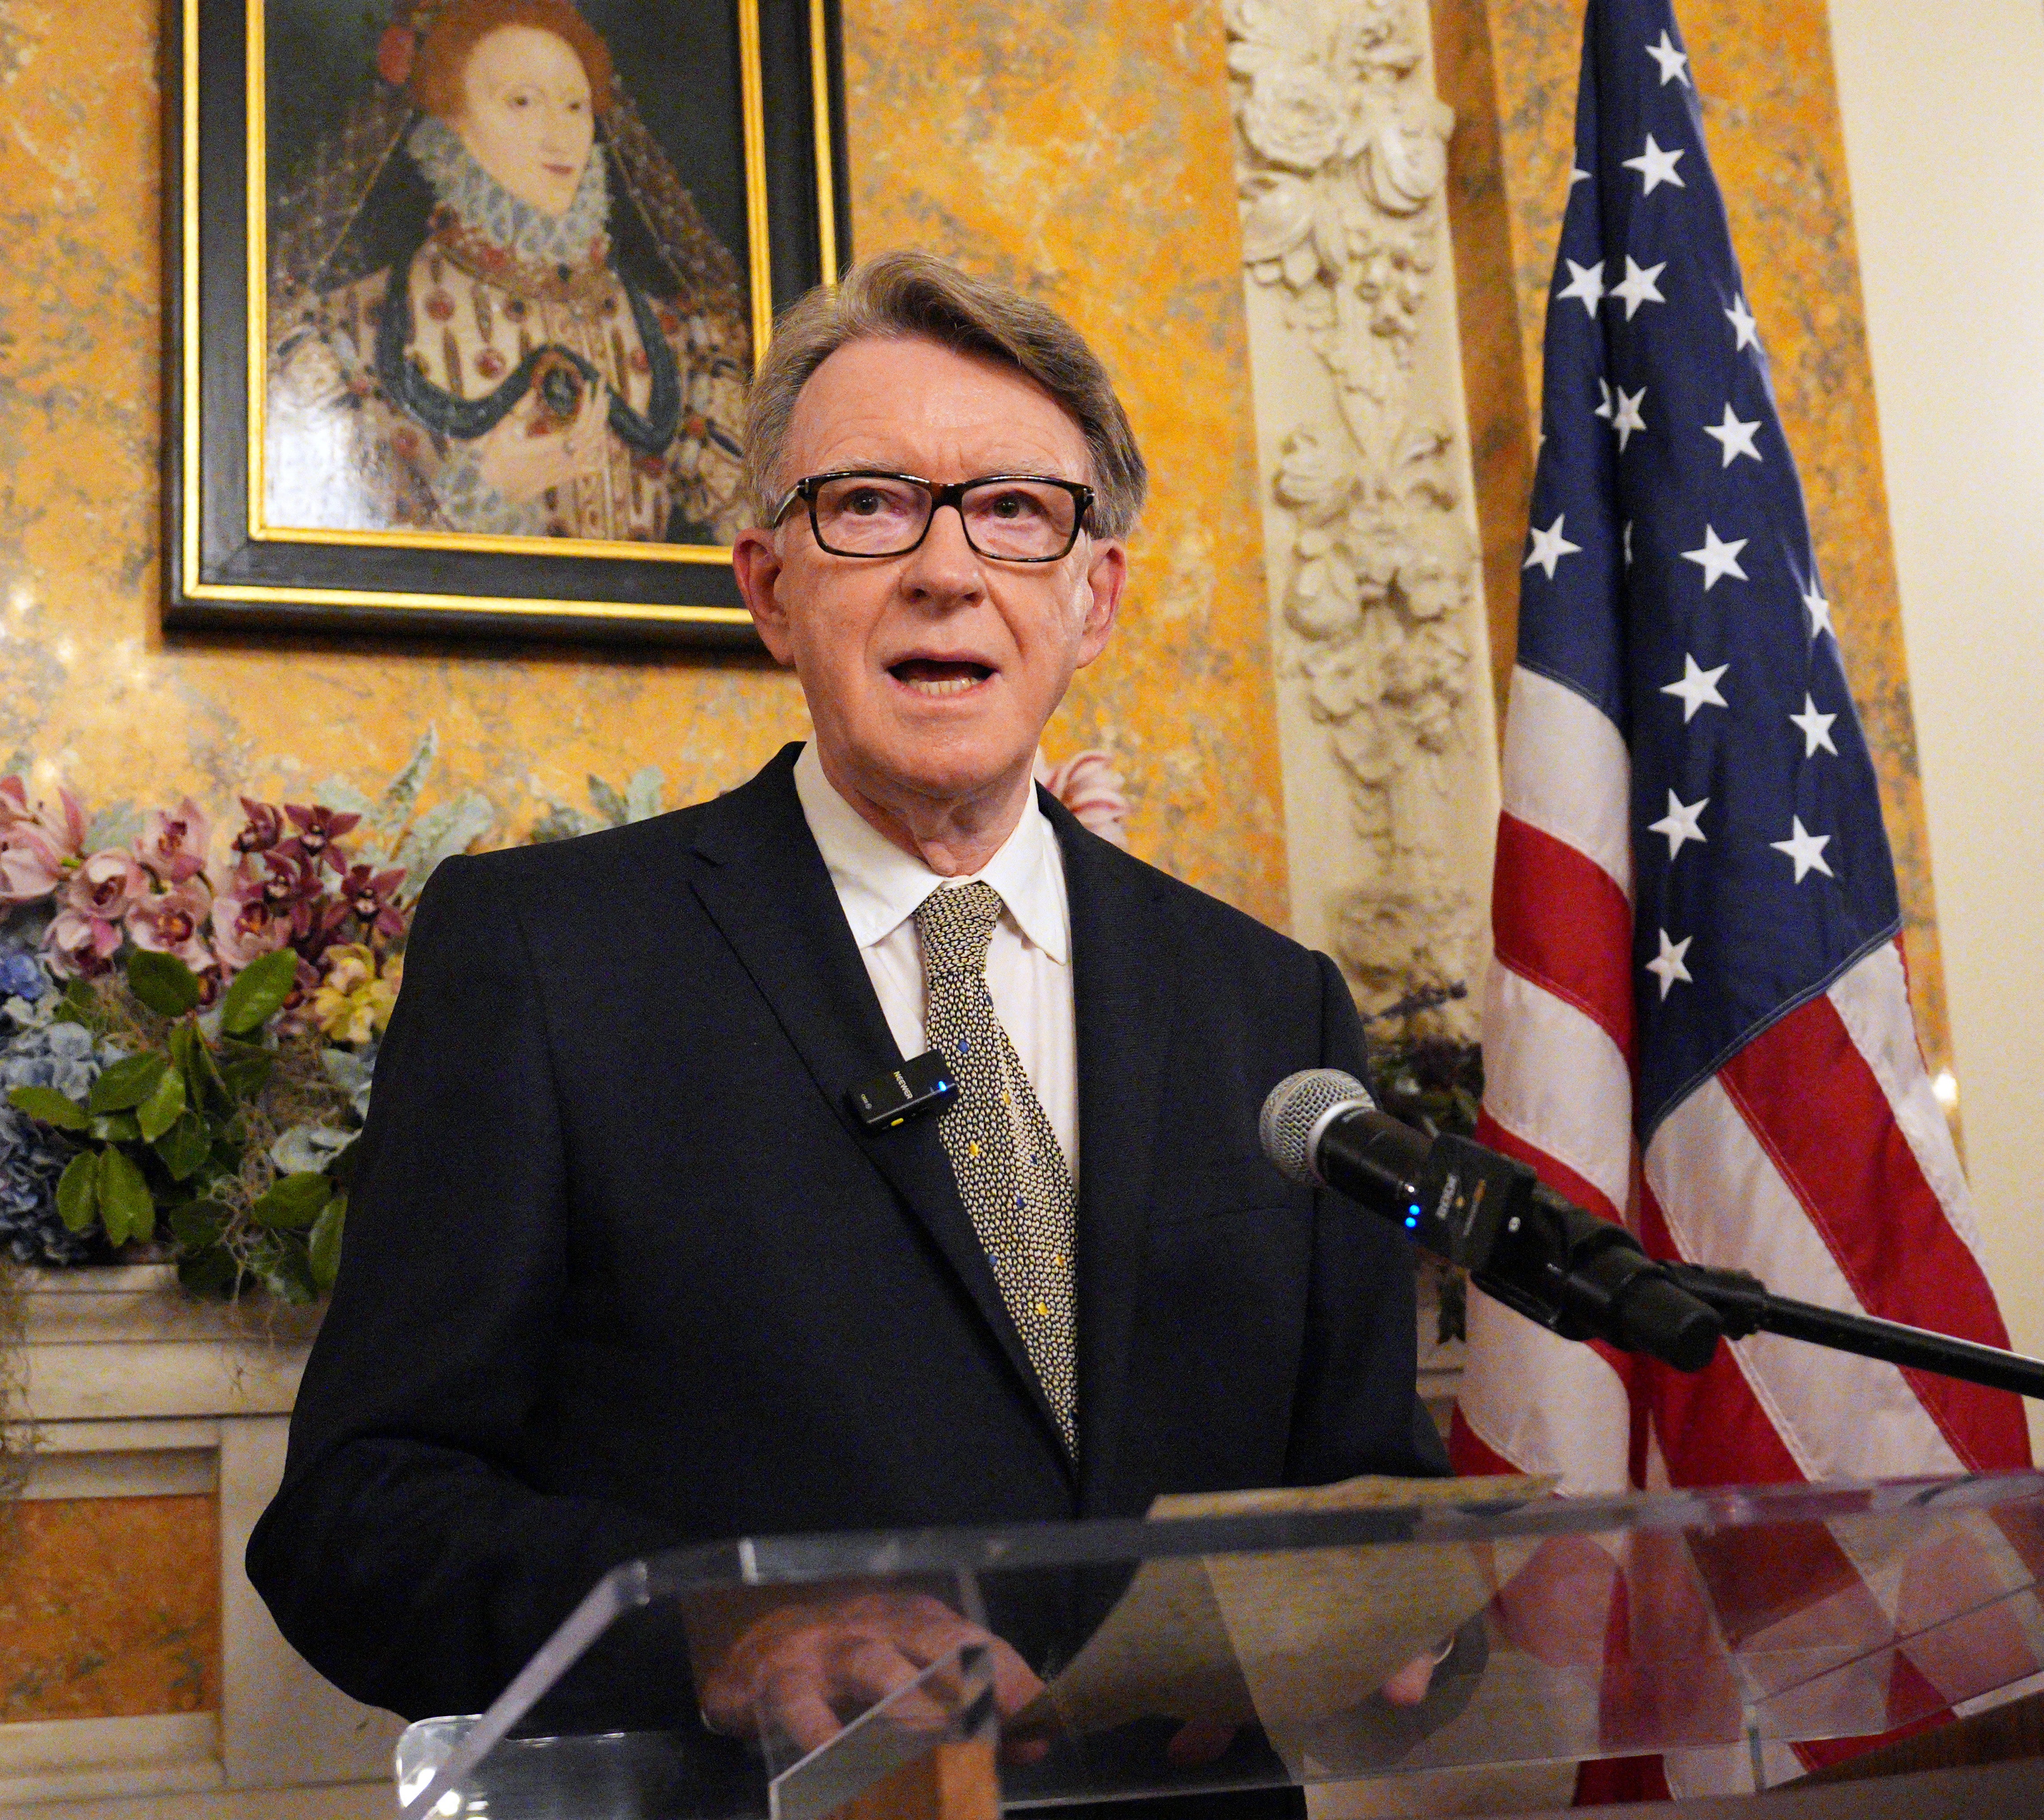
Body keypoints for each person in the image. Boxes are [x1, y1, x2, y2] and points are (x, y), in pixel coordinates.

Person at [247, 252, 1447, 1776]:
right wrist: (719, 1632)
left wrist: (1410, 1629)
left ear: (1092, 598)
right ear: (769, 588)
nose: (945, 569)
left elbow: (1366, 1500)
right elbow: (355, 1516)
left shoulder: (1271, 1005)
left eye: (1014, 511)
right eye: (870, 506)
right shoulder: (549, 959)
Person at [264, 0, 755, 543]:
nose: (560, 136)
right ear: (448, 118)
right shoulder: (350, 332)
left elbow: (747, 570)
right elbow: (334, 566)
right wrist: (488, 494)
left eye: (575, 106)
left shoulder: (679, 341)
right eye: (522, 102)